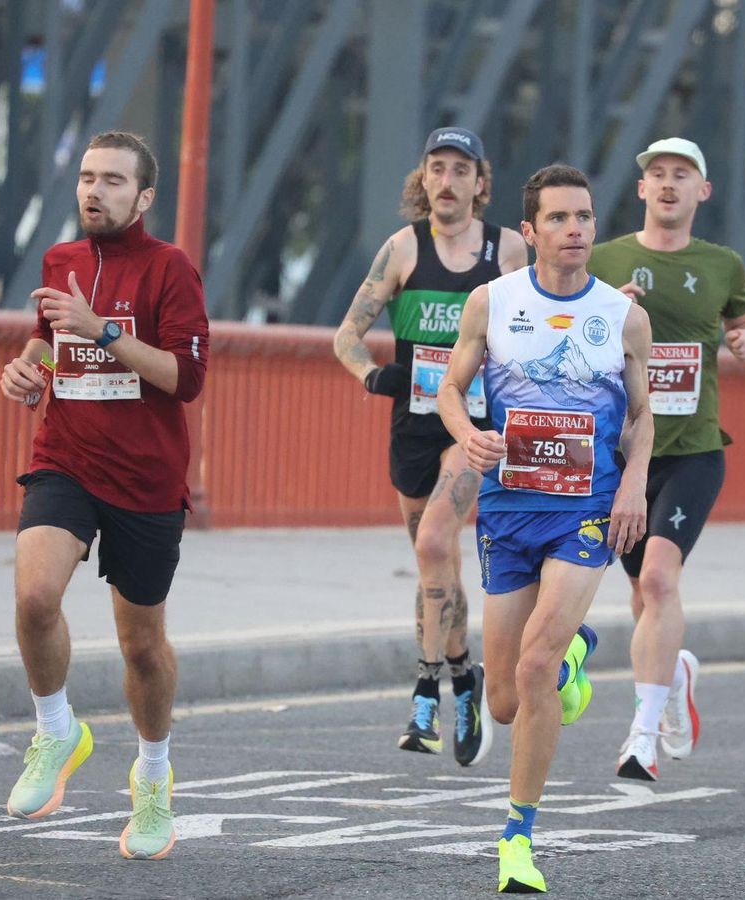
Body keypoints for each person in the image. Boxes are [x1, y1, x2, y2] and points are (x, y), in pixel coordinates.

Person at [0, 131, 209, 860]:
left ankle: (153, 780)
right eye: (88, 178)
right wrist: (25, 371)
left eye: (113, 181)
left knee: (141, 647)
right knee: (33, 596)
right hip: (67, 459)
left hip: (147, 481)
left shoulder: (170, 269)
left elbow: (186, 378)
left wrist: (105, 330)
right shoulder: (62, 262)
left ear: (144, 197)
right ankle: (56, 731)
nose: (95, 191)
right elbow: (46, 344)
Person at [439, 163, 651, 894]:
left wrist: (634, 482)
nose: (576, 231)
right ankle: (574, 657)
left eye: (585, 218)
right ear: (528, 232)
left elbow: (643, 413)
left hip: (586, 510)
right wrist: (468, 432)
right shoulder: (491, 303)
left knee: (532, 669)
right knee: (504, 697)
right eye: (559, 219)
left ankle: (518, 837)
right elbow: (450, 386)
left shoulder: (621, 316)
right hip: (507, 509)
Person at [333, 126, 528, 765]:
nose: (447, 181)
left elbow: (539, 322)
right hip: (412, 425)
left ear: (480, 182)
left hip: (471, 428)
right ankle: (465, 677)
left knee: (436, 541)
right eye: (436, 168)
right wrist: (373, 375)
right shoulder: (403, 250)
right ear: (424, 180)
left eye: (460, 170)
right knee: (433, 563)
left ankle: (424, 693)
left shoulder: (507, 252)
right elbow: (347, 337)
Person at [587, 137, 745, 781]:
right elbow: (571, 330)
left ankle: (641, 738)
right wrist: (607, 311)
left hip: (692, 448)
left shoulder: (721, 265)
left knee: (659, 580)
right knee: (641, 594)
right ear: (640, 190)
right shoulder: (605, 259)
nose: (666, 184)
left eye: (681, 175)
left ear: (701, 191)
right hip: (625, 450)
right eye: (656, 174)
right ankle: (674, 670)